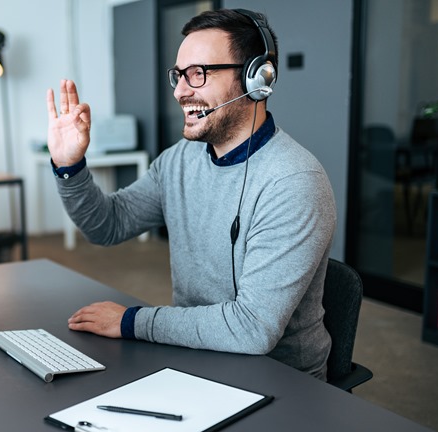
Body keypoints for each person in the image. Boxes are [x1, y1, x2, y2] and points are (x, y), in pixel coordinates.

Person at [45, 8, 336, 380]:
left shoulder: (294, 181)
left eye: (199, 74)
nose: (181, 91)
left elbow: (252, 328)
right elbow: (107, 226)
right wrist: (69, 166)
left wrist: (132, 321)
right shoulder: (180, 160)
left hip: (280, 381)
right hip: (194, 355)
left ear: (256, 78)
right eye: (179, 76)